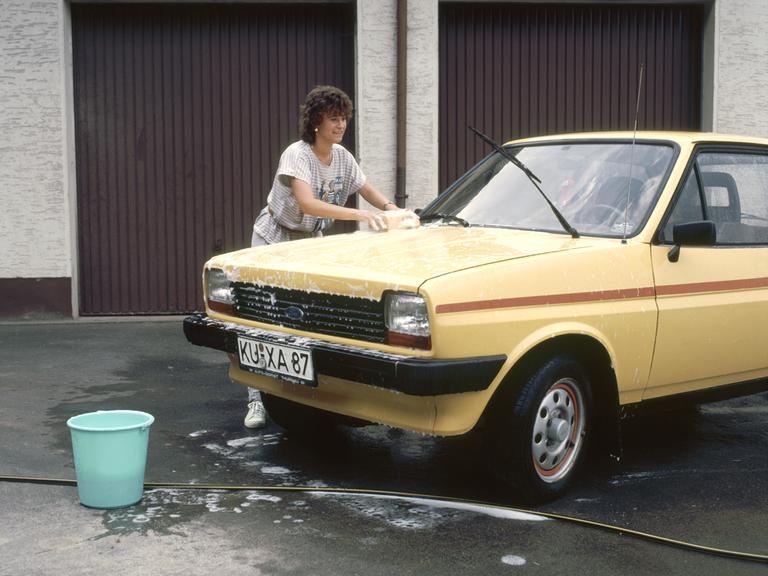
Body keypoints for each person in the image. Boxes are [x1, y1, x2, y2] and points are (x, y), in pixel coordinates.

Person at [244, 85, 400, 429]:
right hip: (275, 236)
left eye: (343, 118)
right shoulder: (296, 154)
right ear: (316, 121)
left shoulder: (343, 157)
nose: (340, 124)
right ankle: (256, 399)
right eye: (333, 118)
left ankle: (301, 391)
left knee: (302, 315)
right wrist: (363, 218)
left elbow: (366, 189)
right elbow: (308, 204)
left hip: (308, 242)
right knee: (259, 316)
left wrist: (392, 209)